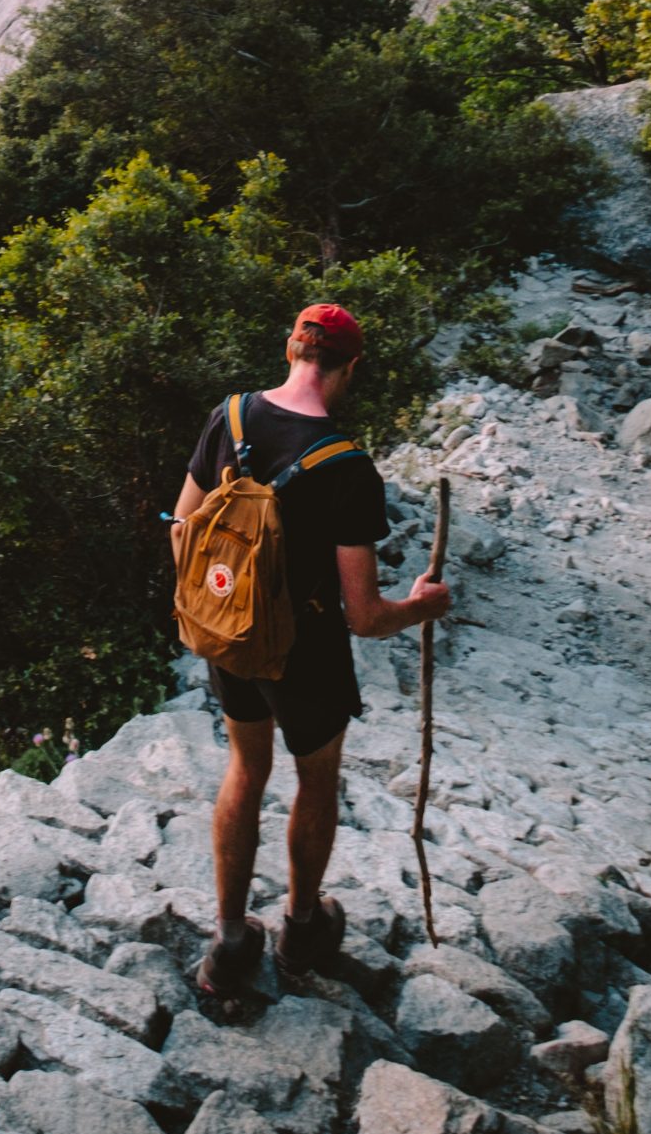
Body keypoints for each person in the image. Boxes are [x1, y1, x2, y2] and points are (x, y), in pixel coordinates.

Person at [171, 299, 451, 997]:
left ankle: (231, 945)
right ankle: (301, 932)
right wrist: (421, 607)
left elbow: (182, 528)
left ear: (291, 349)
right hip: (306, 653)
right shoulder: (349, 467)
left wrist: (225, 597)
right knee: (315, 779)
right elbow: (363, 617)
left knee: (246, 766)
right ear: (348, 367)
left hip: (227, 629)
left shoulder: (229, 416)